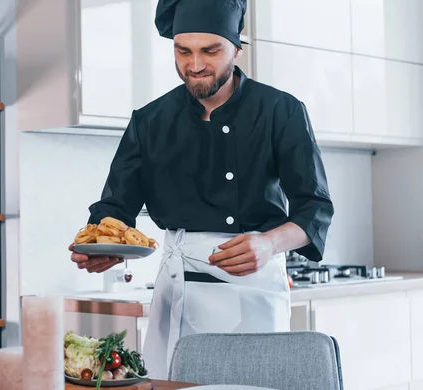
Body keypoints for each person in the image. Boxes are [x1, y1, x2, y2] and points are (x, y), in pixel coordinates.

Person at [70, 0, 334, 379]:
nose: (194, 65)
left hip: (251, 284)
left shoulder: (281, 111)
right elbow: (116, 207)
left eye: (210, 51)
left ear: (236, 46)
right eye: (183, 51)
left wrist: (269, 243)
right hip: (176, 289)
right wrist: (102, 250)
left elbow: (315, 208)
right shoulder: (150, 121)